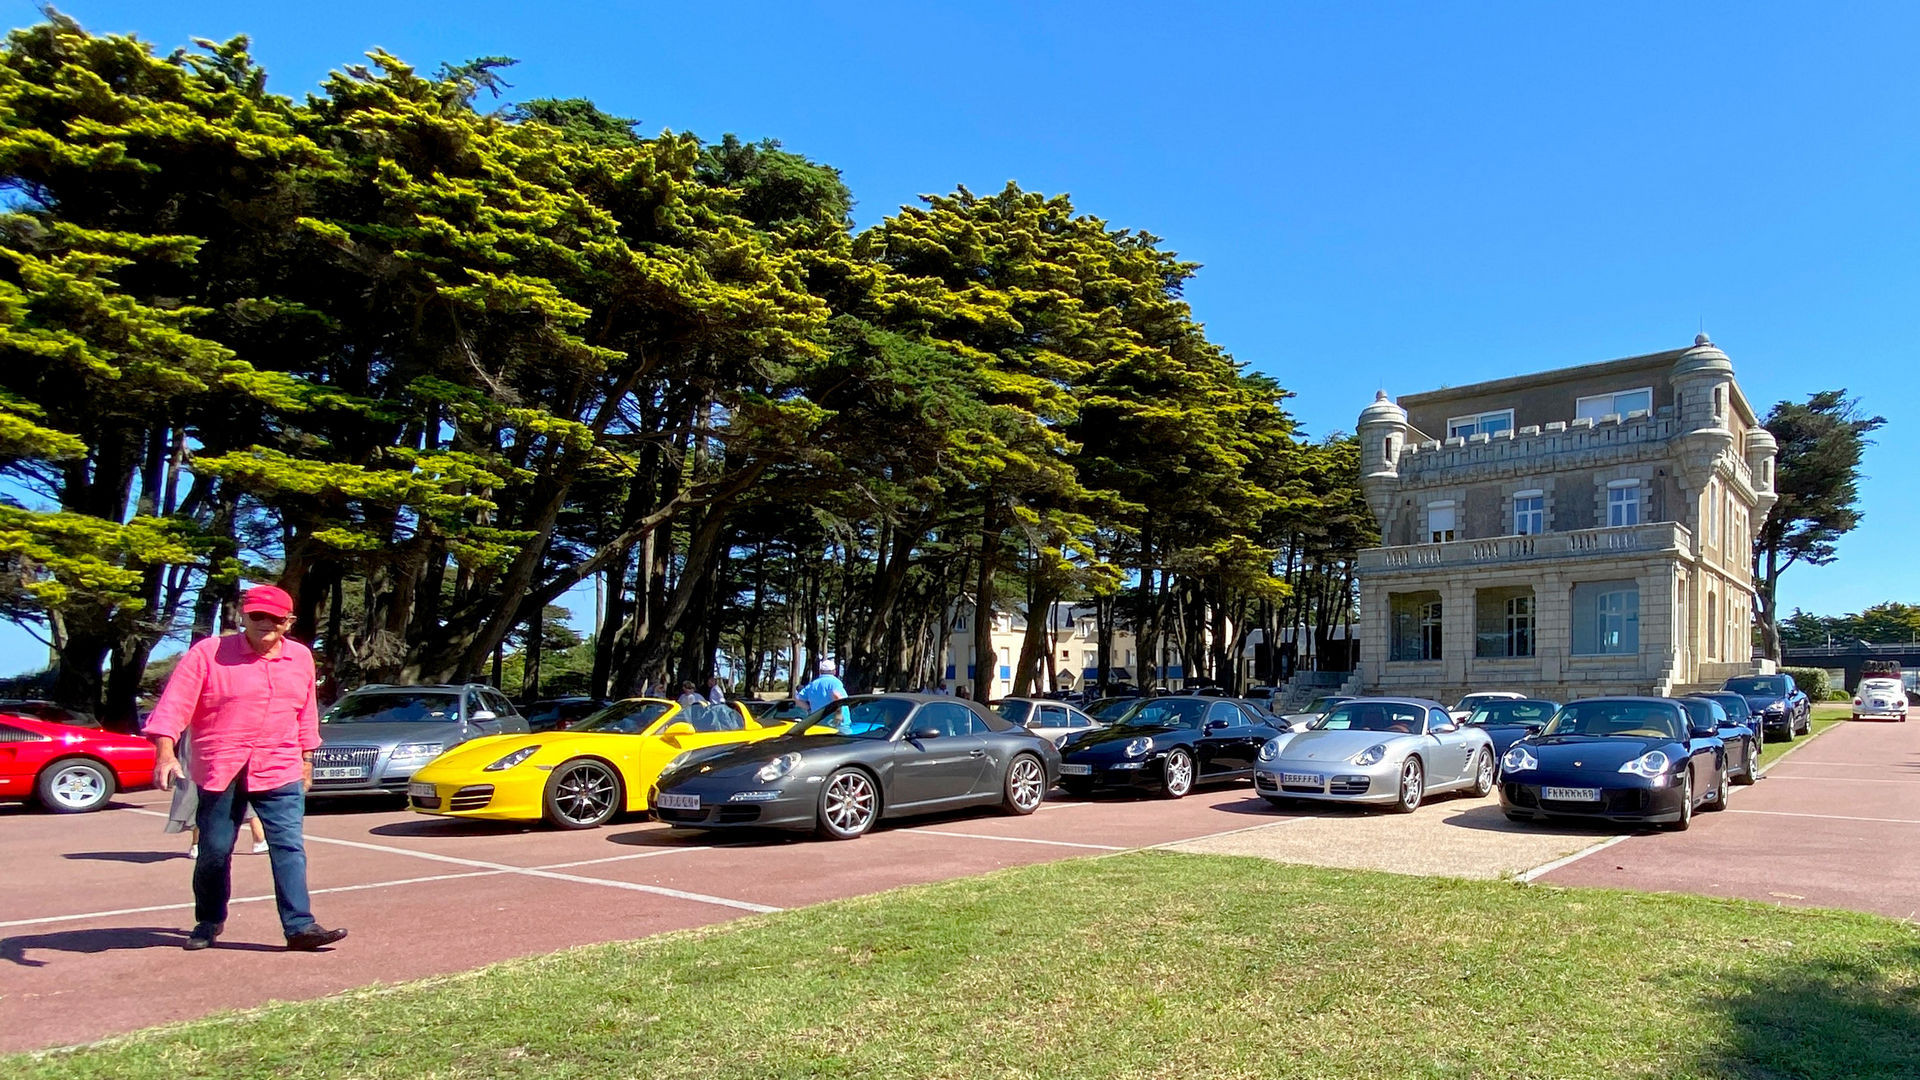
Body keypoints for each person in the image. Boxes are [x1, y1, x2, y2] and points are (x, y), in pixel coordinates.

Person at [145, 584, 347, 952]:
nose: (266, 623)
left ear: (289, 622)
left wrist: (306, 761)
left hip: (280, 766)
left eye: (275, 618)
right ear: (243, 616)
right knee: (215, 850)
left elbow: (306, 713)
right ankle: (208, 920)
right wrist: (165, 752)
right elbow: (174, 705)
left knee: (288, 847)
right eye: (257, 615)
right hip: (221, 767)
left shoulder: (300, 657)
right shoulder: (208, 653)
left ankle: (300, 927)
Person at [162, 728, 266, 857]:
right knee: (201, 786)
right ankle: (198, 842)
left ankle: (259, 837)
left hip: (222, 734)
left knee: (240, 781)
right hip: (208, 735)